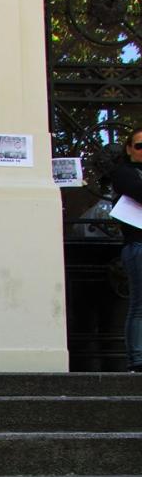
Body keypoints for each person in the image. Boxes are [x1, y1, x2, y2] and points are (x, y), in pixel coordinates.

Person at [112, 126, 142, 372]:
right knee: (140, 304)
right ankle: (138, 359)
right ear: (129, 149)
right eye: (140, 146)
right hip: (138, 245)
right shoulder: (126, 172)